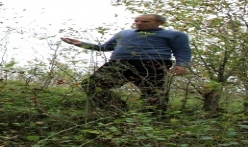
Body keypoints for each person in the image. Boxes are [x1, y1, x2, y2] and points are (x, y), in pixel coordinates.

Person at [60, 14, 191, 114]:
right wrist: (81, 44)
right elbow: (104, 47)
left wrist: (181, 65)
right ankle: (119, 111)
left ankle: (154, 120)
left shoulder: (175, 35)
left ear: (159, 23)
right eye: (137, 21)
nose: (139, 23)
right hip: (119, 63)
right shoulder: (124, 33)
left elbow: (182, 51)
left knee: (154, 94)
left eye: (145, 21)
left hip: (152, 64)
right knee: (92, 85)